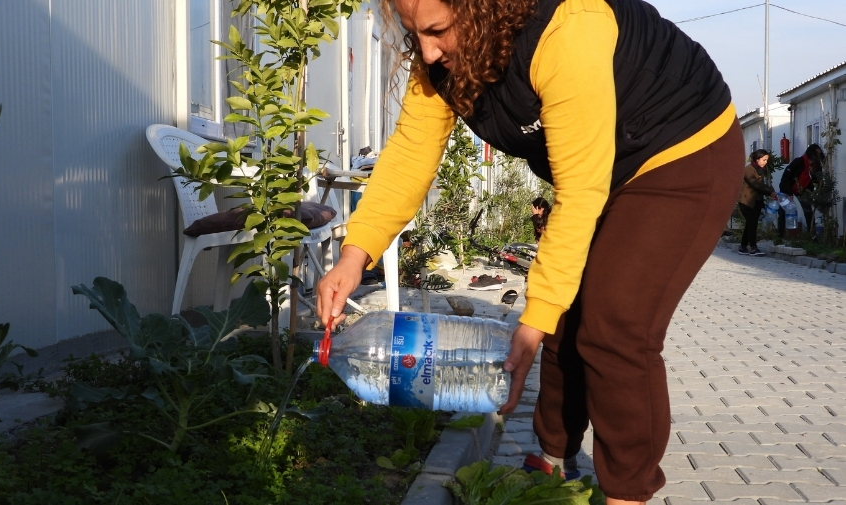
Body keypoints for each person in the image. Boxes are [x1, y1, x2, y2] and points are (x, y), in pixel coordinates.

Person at [316, 0, 744, 502]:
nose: (428, 53)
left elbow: (580, 191)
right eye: (415, 34)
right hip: (601, 169)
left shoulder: (567, 27)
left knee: (615, 325)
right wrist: (355, 253)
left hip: (681, 150)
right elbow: (411, 155)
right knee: (561, 317)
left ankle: (628, 492)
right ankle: (553, 458)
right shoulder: (441, 61)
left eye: (437, 31)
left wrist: (535, 313)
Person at [778, 144, 824, 237]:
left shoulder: (817, 166)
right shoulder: (799, 162)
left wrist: (818, 191)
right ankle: (780, 236)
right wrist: (788, 192)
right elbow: (786, 177)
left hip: (803, 190)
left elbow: (818, 180)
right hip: (789, 188)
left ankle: (812, 235)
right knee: (783, 211)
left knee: (808, 211)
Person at [737, 149, 776, 256]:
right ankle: (753, 248)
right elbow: (756, 184)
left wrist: (770, 193)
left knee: (750, 224)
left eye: (767, 160)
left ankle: (743, 247)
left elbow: (760, 188)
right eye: (764, 160)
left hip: (756, 201)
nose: (765, 162)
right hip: (746, 201)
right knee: (752, 224)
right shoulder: (749, 170)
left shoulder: (760, 170)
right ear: (757, 159)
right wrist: (770, 191)